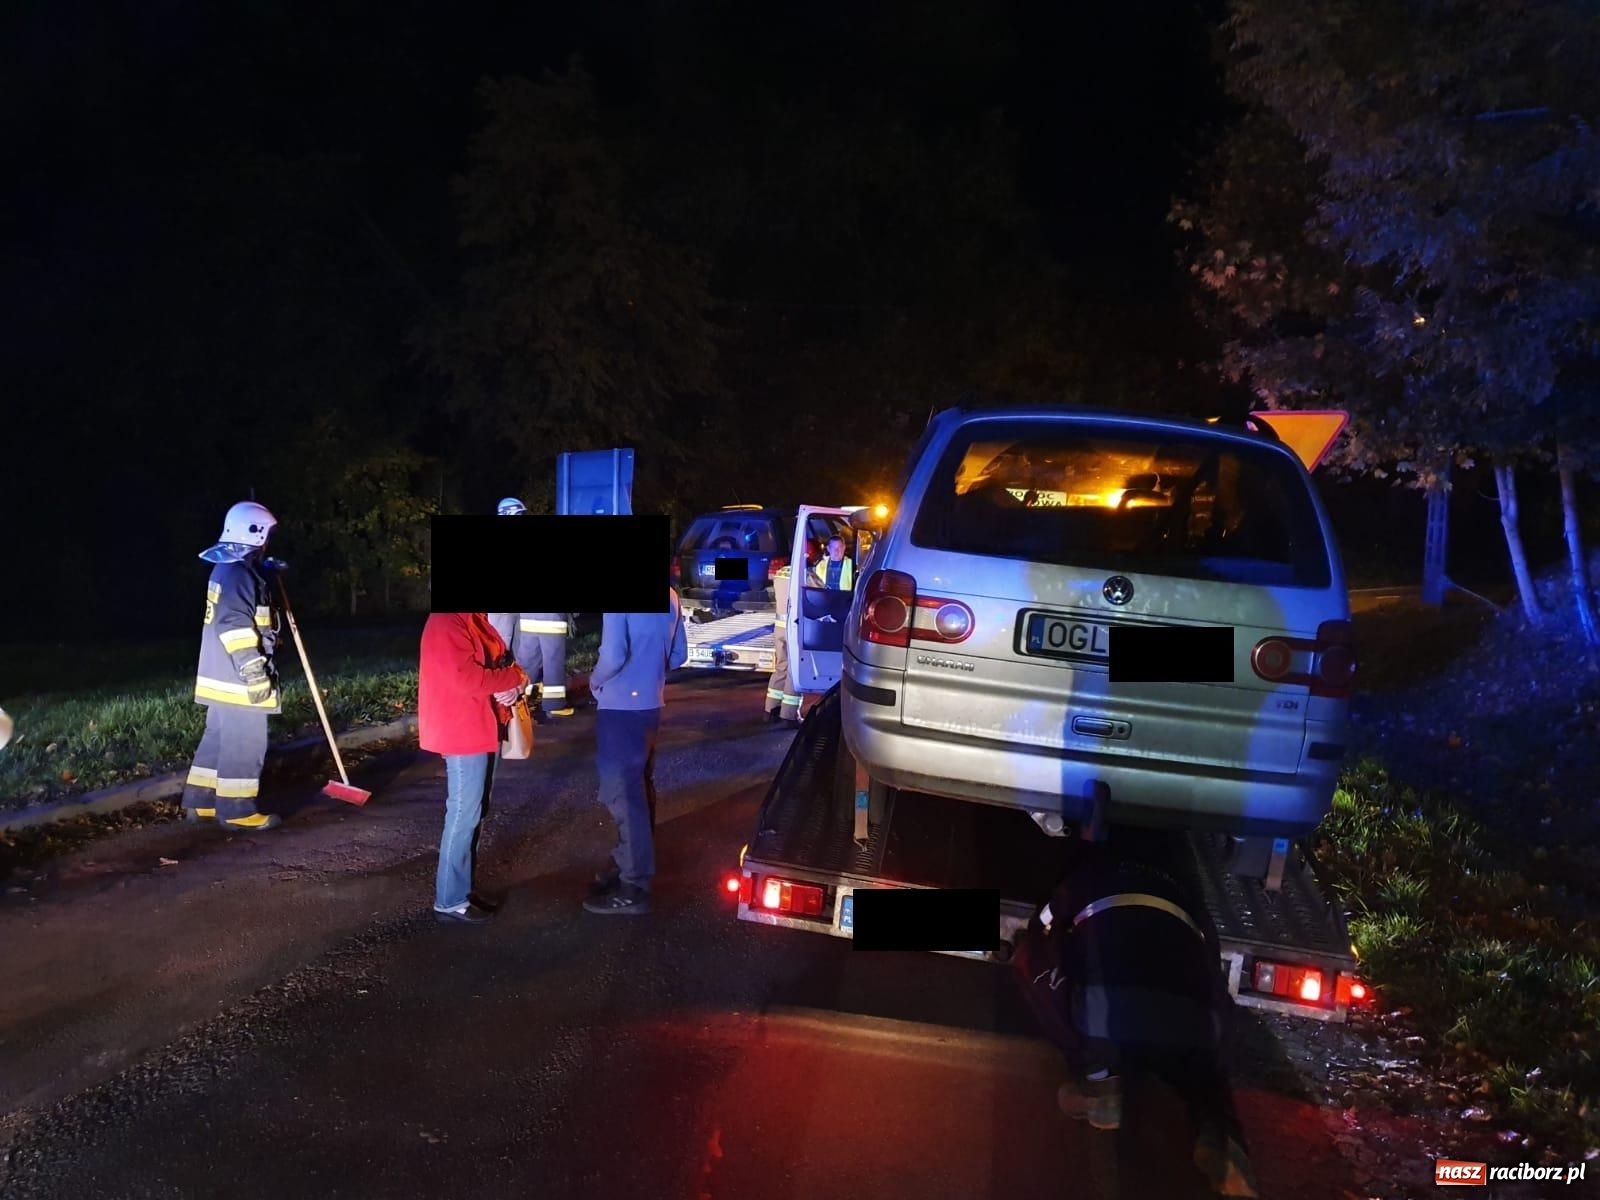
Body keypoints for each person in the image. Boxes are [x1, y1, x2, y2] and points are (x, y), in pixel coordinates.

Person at [1011, 838, 1260, 1197]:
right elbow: (1209, 958)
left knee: (1030, 959)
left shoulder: (1085, 875)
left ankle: (1099, 1082)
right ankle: (1218, 1132)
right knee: (1202, 1064)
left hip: (1110, 1014)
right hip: (1191, 1023)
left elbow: (1042, 924)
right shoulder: (1186, 892)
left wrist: (1059, 944)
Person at [418, 611, 529, 925]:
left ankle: (461, 891)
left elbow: (504, 661)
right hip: (462, 729)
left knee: (474, 812)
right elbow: (466, 678)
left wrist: (516, 680)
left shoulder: (471, 619)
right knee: (464, 814)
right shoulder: (447, 621)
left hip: (480, 727)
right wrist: (513, 680)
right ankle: (450, 900)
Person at [583, 587, 689, 916]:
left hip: (620, 708)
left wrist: (594, 681)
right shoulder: (670, 595)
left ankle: (634, 883)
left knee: (623, 794)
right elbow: (679, 654)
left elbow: (613, 655)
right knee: (640, 789)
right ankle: (630, 862)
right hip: (650, 705)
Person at [182, 501, 286, 832]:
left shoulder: (229, 569)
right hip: (239, 676)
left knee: (219, 737)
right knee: (246, 741)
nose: (269, 541)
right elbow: (236, 627)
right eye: (267, 535)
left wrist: (264, 572)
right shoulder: (241, 575)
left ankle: (201, 802)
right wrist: (255, 673)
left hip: (218, 676)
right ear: (254, 534)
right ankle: (236, 809)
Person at [487, 498, 574, 722]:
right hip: (548, 617)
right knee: (552, 659)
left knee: (528, 661)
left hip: (527, 616)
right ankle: (554, 705)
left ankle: (518, 700)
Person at [764, 561, 801, 726]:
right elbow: (821, 593)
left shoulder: (780, 573)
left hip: (779, 628)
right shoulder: (804, 574)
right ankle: (789, 714)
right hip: (794, 629)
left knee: (781, 667)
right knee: (795, 671)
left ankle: (770, 709)